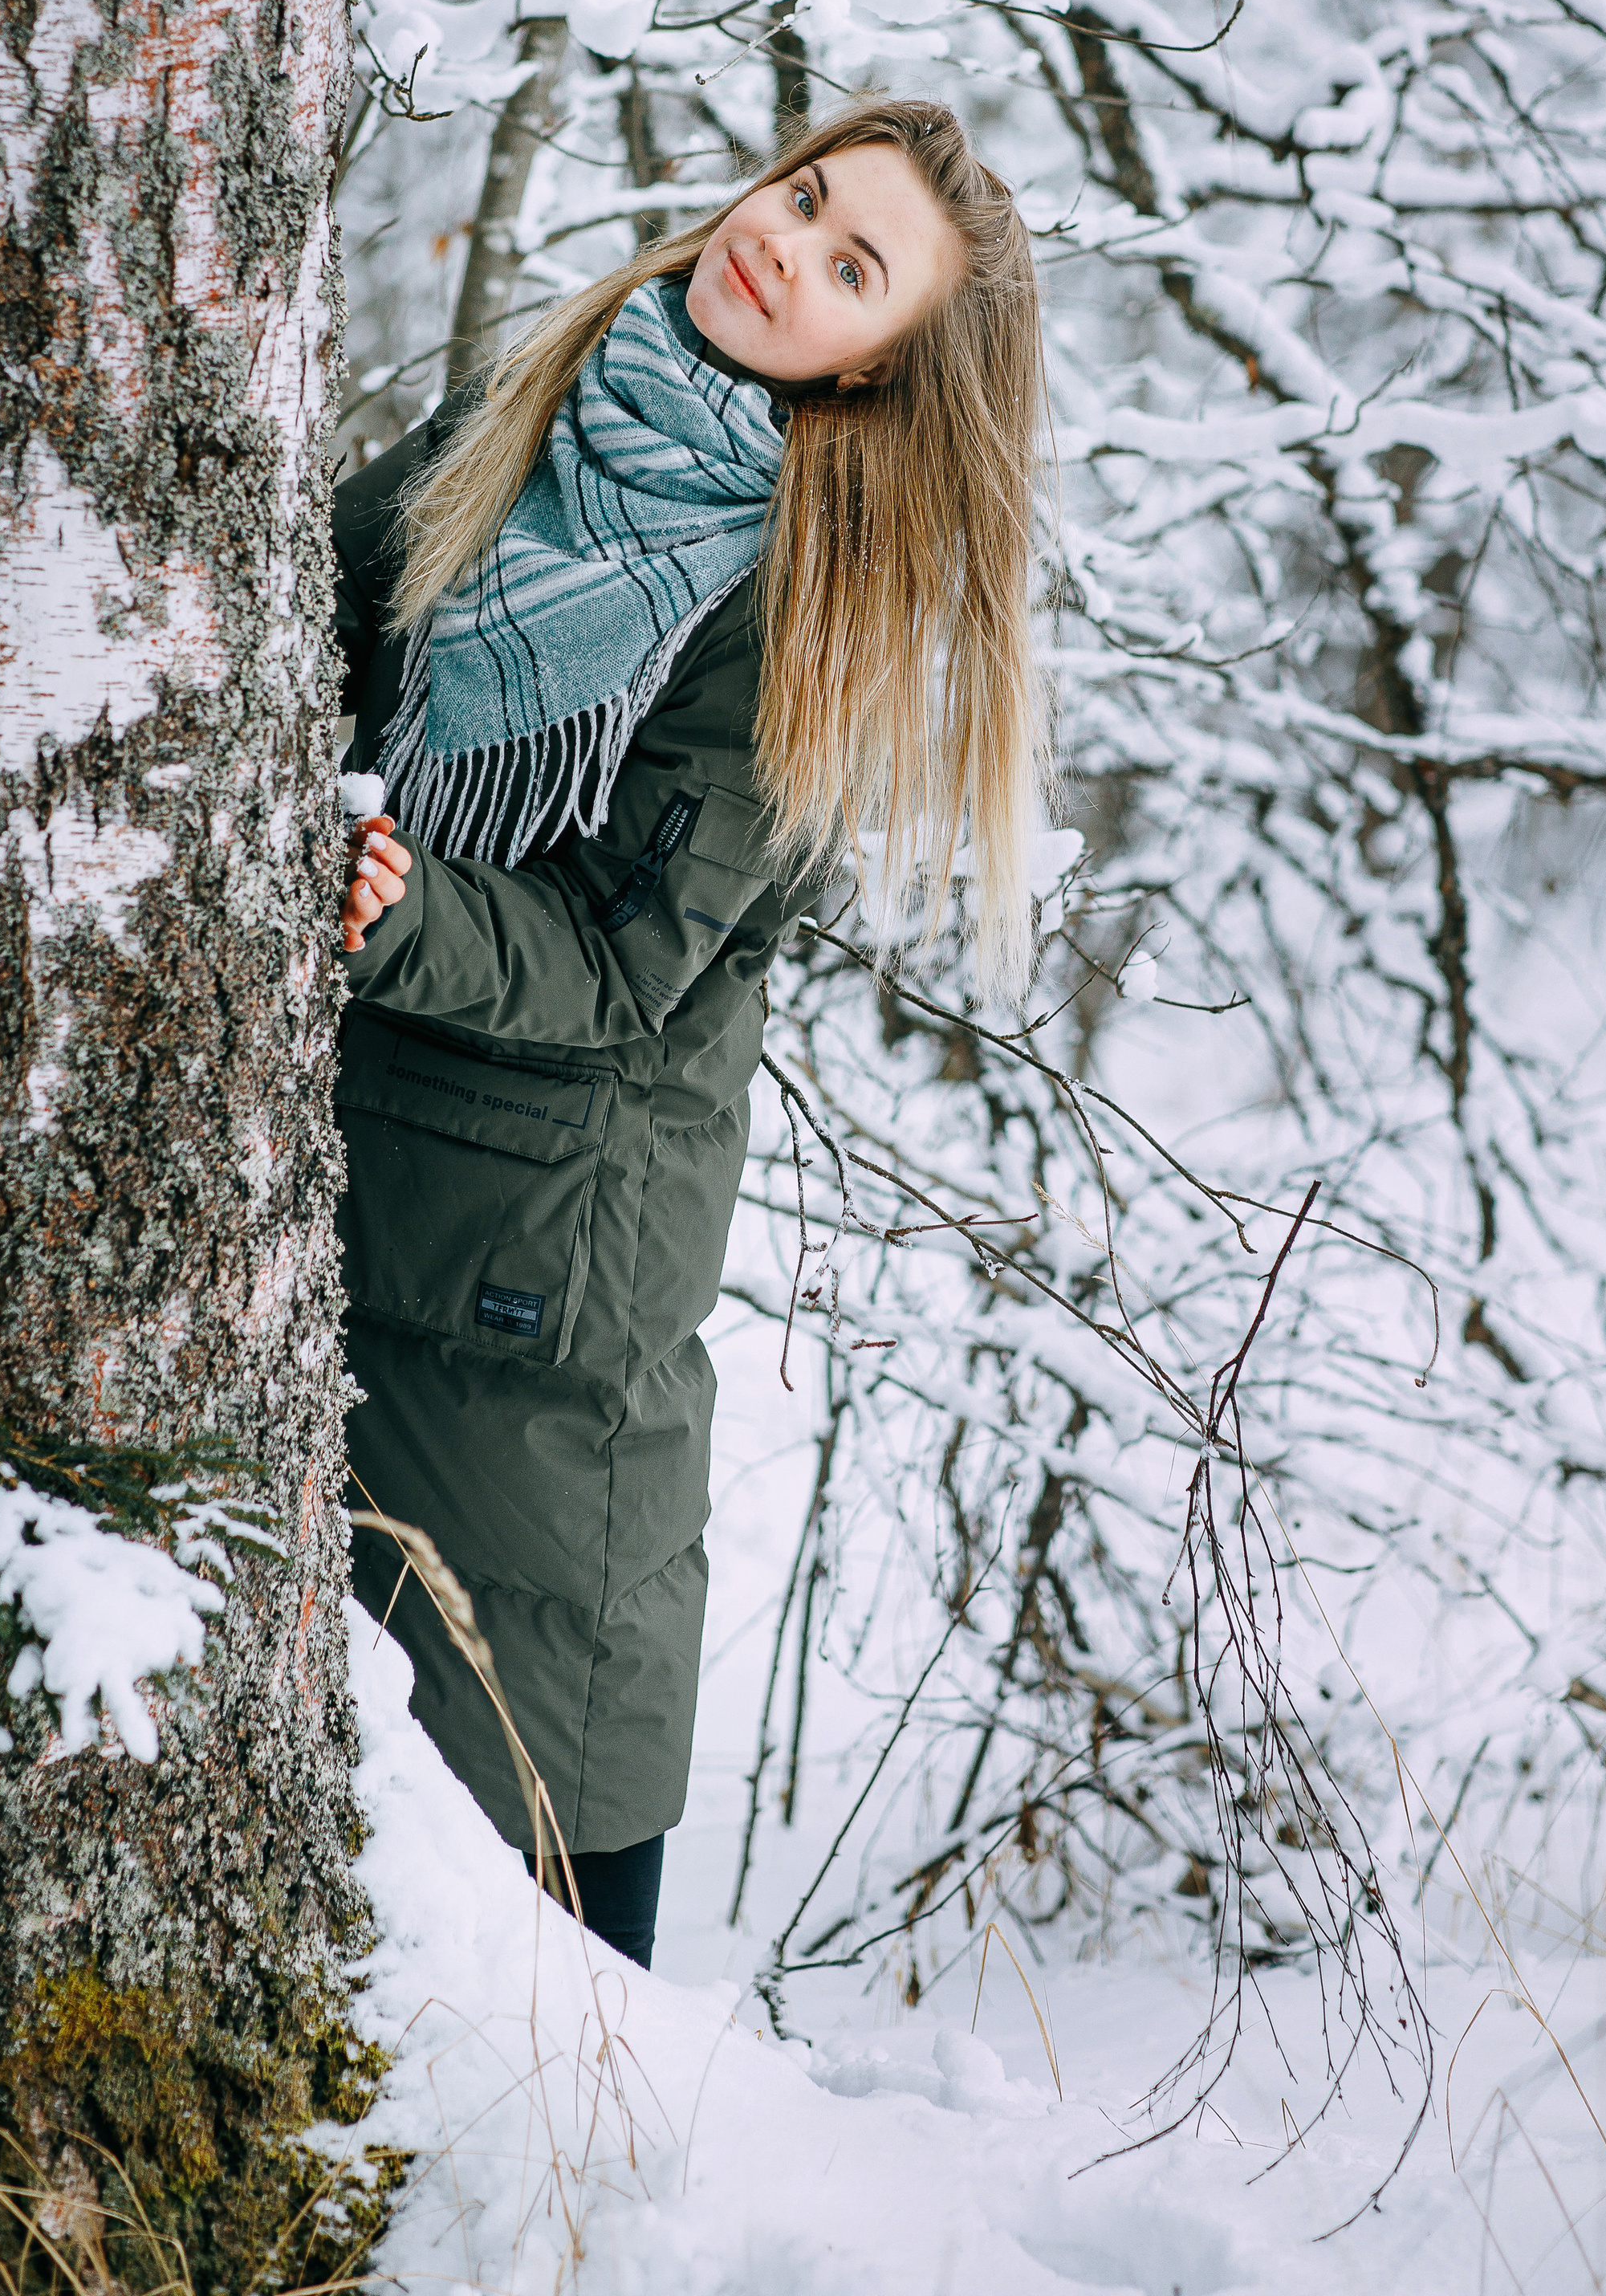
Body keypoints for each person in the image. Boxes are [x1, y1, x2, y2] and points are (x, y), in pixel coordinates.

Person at [331, 96, 1048, 1971]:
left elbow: (612, 965)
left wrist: (390, 907)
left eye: (846, 267)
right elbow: (323, 611)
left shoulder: (797, 608)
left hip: (530, 1273)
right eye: (802, 196)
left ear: (879, 372)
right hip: (363, 1167)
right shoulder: (562, 404)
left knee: (513, 1863)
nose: (779, 246)